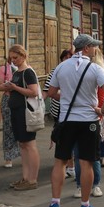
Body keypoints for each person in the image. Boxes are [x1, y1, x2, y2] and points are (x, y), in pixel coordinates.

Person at [46, 34, 104, 207]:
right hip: (88, 121)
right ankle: (85, 204)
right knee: (86, 163)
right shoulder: (94, 68)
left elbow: (51, 92)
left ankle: (55, 202)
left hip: (67, 120)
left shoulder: (61, 67)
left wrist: (68, 99)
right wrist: (102, 110)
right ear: (85, 48)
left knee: (60, 161)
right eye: (93, 46)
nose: (95, 49)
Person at [0, 44, 41, 191]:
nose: (13, 61)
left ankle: (32, 179)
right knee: (22, 145)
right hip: (16, 111)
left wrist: (14, 88)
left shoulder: (28, 72)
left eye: (15, 57)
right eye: (11, 58)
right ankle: (25, 177)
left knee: (30, 144)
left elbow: (33, 92)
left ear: (23, 56)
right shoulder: (17, 72)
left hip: (25, 112)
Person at [72, 46, 104, 198]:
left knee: (93, 155)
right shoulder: (73, 70)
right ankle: (79, 185)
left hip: (93, 117)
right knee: (79, 154)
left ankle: (95, 184)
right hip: (76, 117)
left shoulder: (100, 70)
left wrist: (101, 111)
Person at [44, 49, 75, 177]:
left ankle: (71, 166)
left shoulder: (76, 71)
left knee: (71, 139)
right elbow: (47, 90)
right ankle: (67, 165)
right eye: (65, 57)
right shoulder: (55, 71)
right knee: (61, 139)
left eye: (69, 57)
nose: (67, 59)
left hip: (73, 111)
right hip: (59, 111)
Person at [0, 60, 20, 168]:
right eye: (13, 56)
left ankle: (24, 155)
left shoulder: (26, 69)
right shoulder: (5, 68)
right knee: (8, 128)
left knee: (22, 127)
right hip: (8, 99)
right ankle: (8, 157)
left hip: (21, 99)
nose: (15, 59)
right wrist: (10, 86)